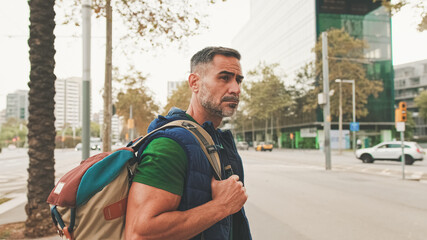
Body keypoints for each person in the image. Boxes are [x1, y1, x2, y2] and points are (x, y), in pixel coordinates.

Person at [125, 47, 252, 240]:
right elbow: (139, 232)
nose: (236, 89)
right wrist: (221, 206)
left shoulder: (216, 140)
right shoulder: (170, 145)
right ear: (195, 83)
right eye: (224, 78)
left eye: (238, 80)